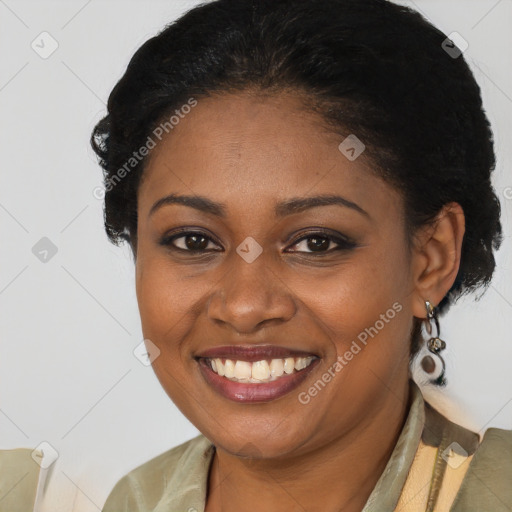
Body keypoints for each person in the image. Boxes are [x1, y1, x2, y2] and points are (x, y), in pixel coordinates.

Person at [90, 0, 511, 510]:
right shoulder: (130, 501)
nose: (245, 306)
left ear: (431, 259)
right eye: (194, 240)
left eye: (316, 242)